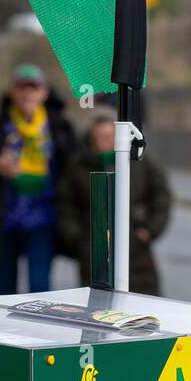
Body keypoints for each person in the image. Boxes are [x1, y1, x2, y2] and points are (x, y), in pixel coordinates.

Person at [0, 64, 76, 295]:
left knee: (40, 287)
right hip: (4, 220)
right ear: (11, 92)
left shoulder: (61, 128)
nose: (27, 93)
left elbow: (75, 167)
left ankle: (41, 331)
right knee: (5, 292)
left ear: (44, 92)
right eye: (21, 87)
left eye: (33, 88)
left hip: (45, 220)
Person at [57, 113, 172, 295]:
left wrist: (151, 229)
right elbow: (66, 204)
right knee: (98, 308)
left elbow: (160, 196)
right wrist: (76, 238)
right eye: (98, 137)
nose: (103, 141)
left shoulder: (138, 160)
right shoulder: (78, 164)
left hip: (136, 251)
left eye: (109, 136)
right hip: (94, 251)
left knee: (143, 307)